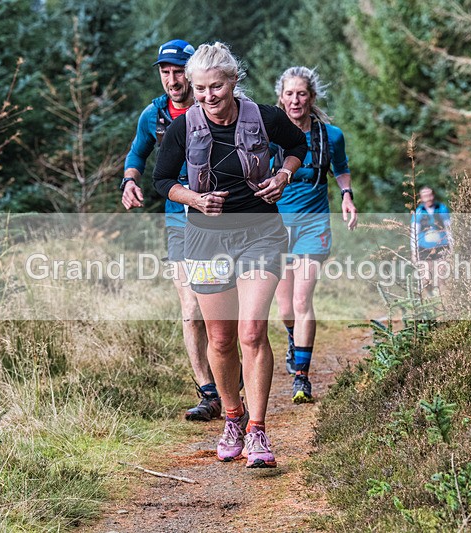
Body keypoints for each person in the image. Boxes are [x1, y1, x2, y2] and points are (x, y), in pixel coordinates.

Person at [152, 42, 307, 468]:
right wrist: (195, 200)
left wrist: (283, 174)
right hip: (205, 237)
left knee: (252, 332)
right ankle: (233, 418)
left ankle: (258, 431)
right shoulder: (185, 127)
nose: (206, 96)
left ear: (233, 81)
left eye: (215, 86)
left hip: (260, 232)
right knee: (220, 339)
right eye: (199, 88)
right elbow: (162, 179)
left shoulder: (265, 116)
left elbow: (298, 145)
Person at [121, 39, 220, 422]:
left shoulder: (212, 106)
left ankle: (228, 371)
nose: (172, 79)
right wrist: (129, 182)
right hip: (178, 220)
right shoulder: (154, 114)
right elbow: (137, 154)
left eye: (178, 71)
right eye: (165, 72)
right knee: (191, 308)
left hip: (219, 217)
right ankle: (208, 392)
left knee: (220, 311)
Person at [272, 66, 358, 404]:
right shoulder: (269, 133)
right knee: (284, 310)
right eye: (290, 94)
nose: (296, 100)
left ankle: (301, 377)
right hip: (276, 227)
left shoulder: (330, 135)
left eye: (302, 93)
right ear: (281, 97)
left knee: (301, 300)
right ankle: (295, 340)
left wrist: (347, 197)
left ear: (312, 97)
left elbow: (342, 168)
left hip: (313, 225)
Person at [410, 186, 452, 298]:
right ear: (421, 198)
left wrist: (452, 247)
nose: (429, 198)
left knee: (441, 276)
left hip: (442, 246)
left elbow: (449, 229)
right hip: (424, 248)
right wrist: (414, 252)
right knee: (426, 278)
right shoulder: (418, 212)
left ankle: (442, 300)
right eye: (425, 196)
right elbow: (414, 232)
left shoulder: (442, 209)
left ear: (433, 195)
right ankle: (429, 296)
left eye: (430, 195)